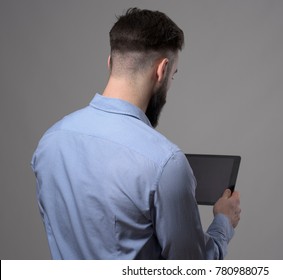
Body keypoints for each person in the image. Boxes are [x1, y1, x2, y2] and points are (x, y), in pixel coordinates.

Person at [31, 7, 241, 260]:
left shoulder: (51, 141)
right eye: (173, 74)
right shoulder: (165, 163)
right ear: (162, 70)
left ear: (110, 63)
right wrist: (223, 223)